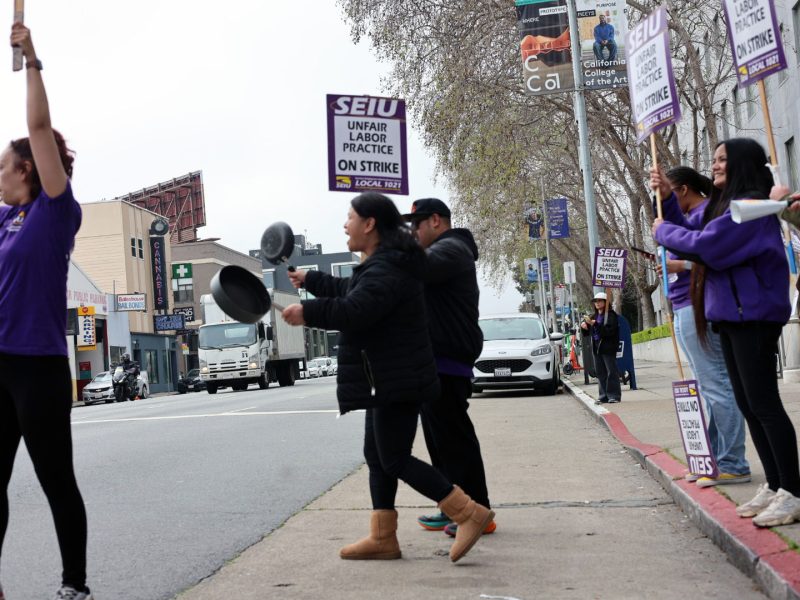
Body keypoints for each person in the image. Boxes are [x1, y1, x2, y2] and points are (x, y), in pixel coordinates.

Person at [282, 192, 494, 562]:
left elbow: (357, 308)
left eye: (350, 217)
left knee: (397, 457)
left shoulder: (400, 262)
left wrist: (308, 313)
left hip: (400, 375)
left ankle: (469, 512)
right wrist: (311, 279)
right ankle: (383, 537)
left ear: (369, 224)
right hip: (385, 374)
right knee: (377, 455)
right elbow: (354, 290)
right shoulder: (384, 262)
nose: (344, 225)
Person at [652, 138, 800, 527]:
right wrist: (667, 202)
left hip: (753, 316)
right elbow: (691, 227)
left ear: (741, 165)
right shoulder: (725, 207)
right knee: (750, 404)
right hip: (732, 316)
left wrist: (662, 232)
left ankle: (793, 490)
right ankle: (775, 483)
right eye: (714, 159)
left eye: (722, 160)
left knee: (765, 404)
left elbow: (707, 247)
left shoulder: (751, 208)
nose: (714, 166)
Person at [0, 24, 94, 600]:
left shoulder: (57, 212)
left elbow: (37, 128)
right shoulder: (3, 220)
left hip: (37, 368)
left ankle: (74, 585)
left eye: (4, 166)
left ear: (29, 169)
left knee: (56, 480)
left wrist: (30, 58)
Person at [650, 166, 750, 487]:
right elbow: (680, 233)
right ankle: (712, 458)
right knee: (709, 388)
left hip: (700, 306)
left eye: (669, 193)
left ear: (684, 190)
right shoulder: (689, 216)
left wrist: (682, 263)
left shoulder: (711, 213)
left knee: (717, 385)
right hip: (683, 305)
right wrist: (664, 200)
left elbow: (710, 253)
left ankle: (733, 461)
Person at [401, 198, 493, 538]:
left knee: (455, 440)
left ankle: (478, 510)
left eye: (416, 225)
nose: (412, 232)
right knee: (439, 441)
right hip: (432, 361)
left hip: (448, 360)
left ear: (435, 221)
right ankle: (453, 505)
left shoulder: (453, 249)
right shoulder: (442, 252)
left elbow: (418, 267)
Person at [580, 292, 621, 404]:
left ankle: (614, 395)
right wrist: (584, 326)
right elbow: (588, 332)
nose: (597, 303)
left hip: (608, 348)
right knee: (600, 373)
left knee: (611, 372)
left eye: (599, 301)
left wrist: (595, 324)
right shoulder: (594, 316)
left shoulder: (611, 315)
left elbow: (609, 332)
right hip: (597, 348)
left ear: (605, 302)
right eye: (595, 301)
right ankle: (603, 396)